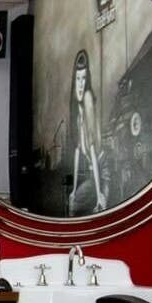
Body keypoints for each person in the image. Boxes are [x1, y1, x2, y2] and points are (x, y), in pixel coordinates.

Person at [63, 49, 105, 215]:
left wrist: (99, 193)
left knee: (80, 206)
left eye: (84, 79)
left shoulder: (87, 99)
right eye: (78, 79)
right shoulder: (78, 114)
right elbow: (77, 153)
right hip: (93, 170)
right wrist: (72, 190)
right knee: (75, 202)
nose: (81, 84)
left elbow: (93, 152)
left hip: (102, 169)